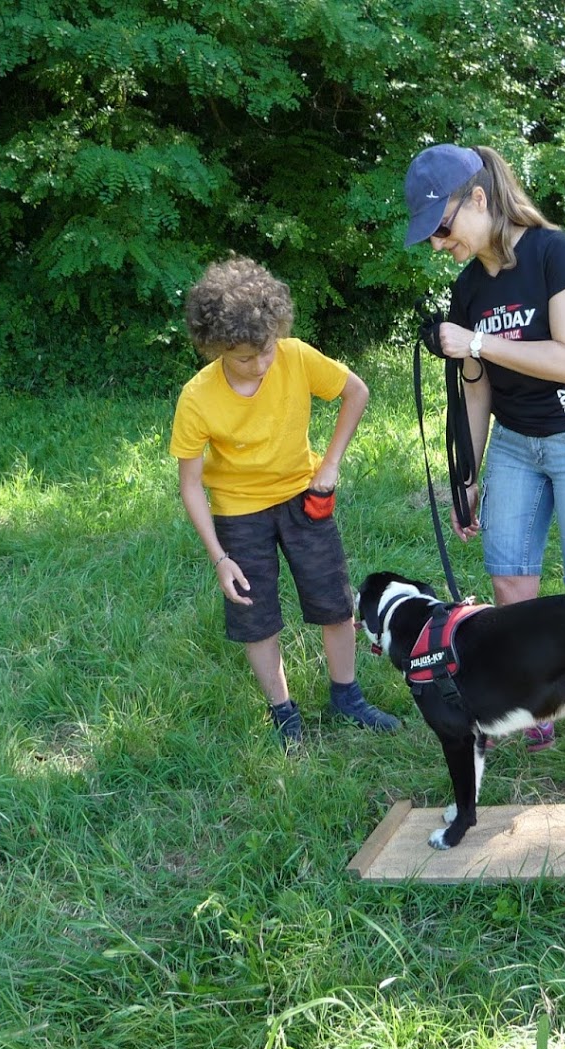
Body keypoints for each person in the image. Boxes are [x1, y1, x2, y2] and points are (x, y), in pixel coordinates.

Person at [403, 143, 565, 753]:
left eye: (442, 227)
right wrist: (467, 473)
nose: (437, 243)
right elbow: (476, 393)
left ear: (478, 198)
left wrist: (477, 341)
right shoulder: (468, 288)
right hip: (514, 445)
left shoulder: (555, 253)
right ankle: (538, 709)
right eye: (429, 235)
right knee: (509, 585)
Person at [169, 256, 401, 748]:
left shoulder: (294, 356)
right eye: (243, 357)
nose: (260, 365)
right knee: (256, 615)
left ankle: (347, 697)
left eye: (265, 351)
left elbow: (355, 391)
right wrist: (220, 557)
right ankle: (283, 710)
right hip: (238, 512)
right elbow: (191, 484)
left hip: (303, 496)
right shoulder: (197, 397)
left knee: (335, 601)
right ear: (215, 349)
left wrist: (331, 463)